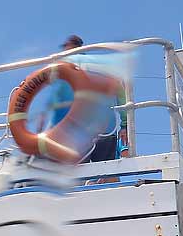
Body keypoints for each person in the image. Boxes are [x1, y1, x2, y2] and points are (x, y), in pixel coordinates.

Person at [45, 35, 129, 163]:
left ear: (68, 48)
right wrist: (125, 125)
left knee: (78, 175)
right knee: (106, 171)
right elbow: (120, 92)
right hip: (106, 128)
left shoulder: (63, 70)